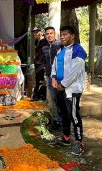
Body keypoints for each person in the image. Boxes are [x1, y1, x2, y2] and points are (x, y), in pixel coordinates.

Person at [50, 26, 87, 156]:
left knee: (74, 115)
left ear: (72, 36)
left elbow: (76, 71)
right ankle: (65, 138)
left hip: (72, 89)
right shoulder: (60, 50)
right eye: (61, 35)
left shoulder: (78, 50)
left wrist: (64, 84)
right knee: (64, 113)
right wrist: (54, 77)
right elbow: (54, 65)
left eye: (65, 34)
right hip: (60, 87)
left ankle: (79, 142)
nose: (62, 37)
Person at [42, 26, 62, 130]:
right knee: (54, 100)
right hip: (49, 77)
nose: (49, 35)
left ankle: (62, 122)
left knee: (60, 100)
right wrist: (46, 75)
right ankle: (58, 120)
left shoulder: (59, 45)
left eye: (51, 33)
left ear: (55, 34)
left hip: (59, 78)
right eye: (47, 34)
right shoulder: (45, 48)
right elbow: (45, 62)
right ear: (45, 36)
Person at [32, 27, 49, 101]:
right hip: (37, 63)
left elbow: (46, 54)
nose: (35, 33)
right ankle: (37, 96)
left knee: (41, 80)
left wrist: (44, 63)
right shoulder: (36, 41)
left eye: (37, 32)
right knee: (38, 79)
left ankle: (40, 96)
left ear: (41, 32)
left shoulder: (45, 41)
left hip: (43, 64)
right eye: (34, 32)